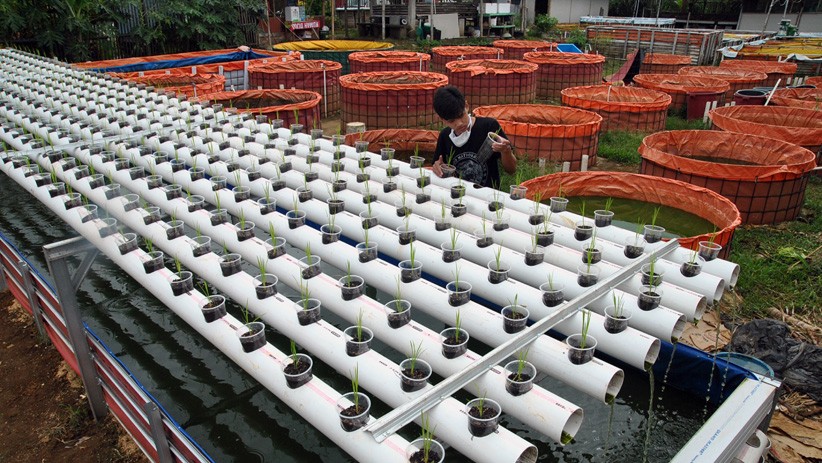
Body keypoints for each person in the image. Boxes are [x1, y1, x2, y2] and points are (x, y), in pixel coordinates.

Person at [431, 85, 517, 188]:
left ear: (466, 106)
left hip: (486, 195)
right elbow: (438, 165)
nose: (459, 123)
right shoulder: (445, 137)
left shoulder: (488, 127)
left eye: (460, 115)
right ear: (442, 120)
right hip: (458, 195)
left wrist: (506, 151)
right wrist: (437, 167)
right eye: (451, 121)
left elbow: (511, 170)